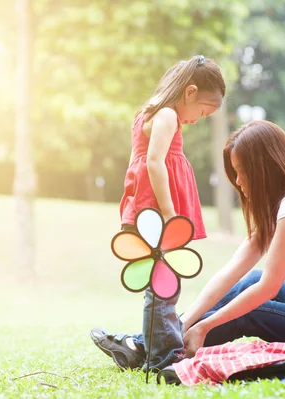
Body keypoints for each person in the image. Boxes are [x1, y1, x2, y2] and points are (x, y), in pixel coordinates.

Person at [93, 119, 285, 374]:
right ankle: (152, 345)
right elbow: (230, 274)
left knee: (253, 308)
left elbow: (269, 288)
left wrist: (205, 327)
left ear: (264, 168)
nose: (239, 181)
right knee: (249, 281)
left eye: (242, 170)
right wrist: (184, 322)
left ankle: (163, 350)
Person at [90, 55, 226, 371]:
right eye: (202, 111)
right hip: (157, 211)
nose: (198, 119)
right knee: (164, 282)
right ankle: (163, 354)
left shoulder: (150, 111)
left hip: (148, 207)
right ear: (189, 92)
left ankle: (152, 347)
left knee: (162, 280)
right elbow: (154, 162)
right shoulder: (166, 114)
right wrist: (168, 213)